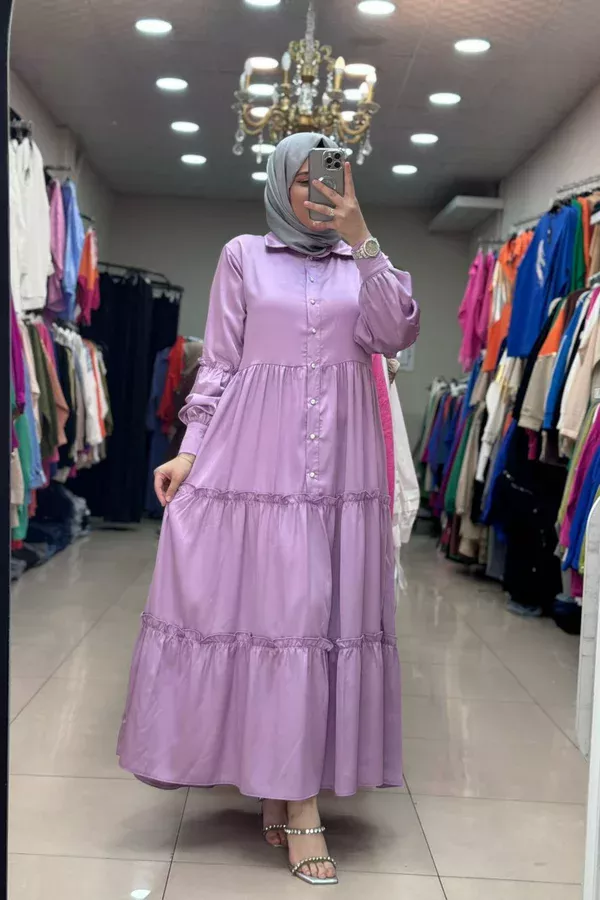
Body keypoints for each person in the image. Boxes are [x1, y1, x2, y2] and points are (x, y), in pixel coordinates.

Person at [117, 132, 420, 886]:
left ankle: (285, 787)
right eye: (305, 179)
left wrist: (362, 237)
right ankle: (296, 801)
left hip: (342, 474)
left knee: (315, 625)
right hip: (255, 468)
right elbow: (220, 362)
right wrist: (190, 450)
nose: (319, 192)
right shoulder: (242, 256)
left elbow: (396, 333)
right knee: (278, 623)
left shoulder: (363, 264)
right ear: (281, 182)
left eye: (332, 178)